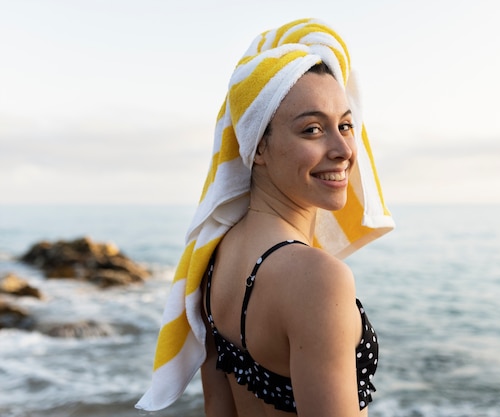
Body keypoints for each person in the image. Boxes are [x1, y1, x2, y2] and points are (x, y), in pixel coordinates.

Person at [136, 18, 394, 416]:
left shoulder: (214, 257)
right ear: (257, 147)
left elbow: (218, 408)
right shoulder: (316, 278)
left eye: (345, 125)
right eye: (312, 129)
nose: (343, 149)